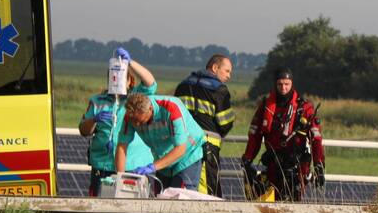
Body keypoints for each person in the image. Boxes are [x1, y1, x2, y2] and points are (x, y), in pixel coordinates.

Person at [78, 48, 157, 196]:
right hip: (103, 165)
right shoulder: (97, 101)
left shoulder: (136, 97)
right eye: (113, 77)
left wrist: (130, 62)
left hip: (134, 165)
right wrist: (94, 120)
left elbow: (151, 83)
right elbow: (84, 130)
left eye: (121, 77)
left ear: (129, 81)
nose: (116, 81)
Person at [242, 68, 324, 201]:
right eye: (280, 84)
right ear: (275, 84)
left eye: (287, 84)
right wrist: (248, 158)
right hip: (273, 164)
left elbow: (316, 139)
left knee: (292, 202)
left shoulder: (304, 108)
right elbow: (255, 136)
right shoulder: (266, 105)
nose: (283, 88)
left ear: (292, 84)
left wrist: (319, 166)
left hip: (297, 166)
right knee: (266, 200)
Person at [115, 93, 207, 191]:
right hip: (163, 159)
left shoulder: (170, 108)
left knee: (181, 197)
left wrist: (153, 167)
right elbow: (121, 146)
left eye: (141, 122)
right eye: (134, 122)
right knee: (161, 197)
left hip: (187, 156)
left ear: (150, 109)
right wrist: (121, 178)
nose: (137, 124)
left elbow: (180, 149)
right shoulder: (130, 116)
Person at [175, 54, 235, 197]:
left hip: (183, 144)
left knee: (183, 183)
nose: (229, 76)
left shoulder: (183, 85)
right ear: (215, 68)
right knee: (207, 189)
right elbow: (225, 123)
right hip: (207, 146)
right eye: (227, 71)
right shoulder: (219, 90)